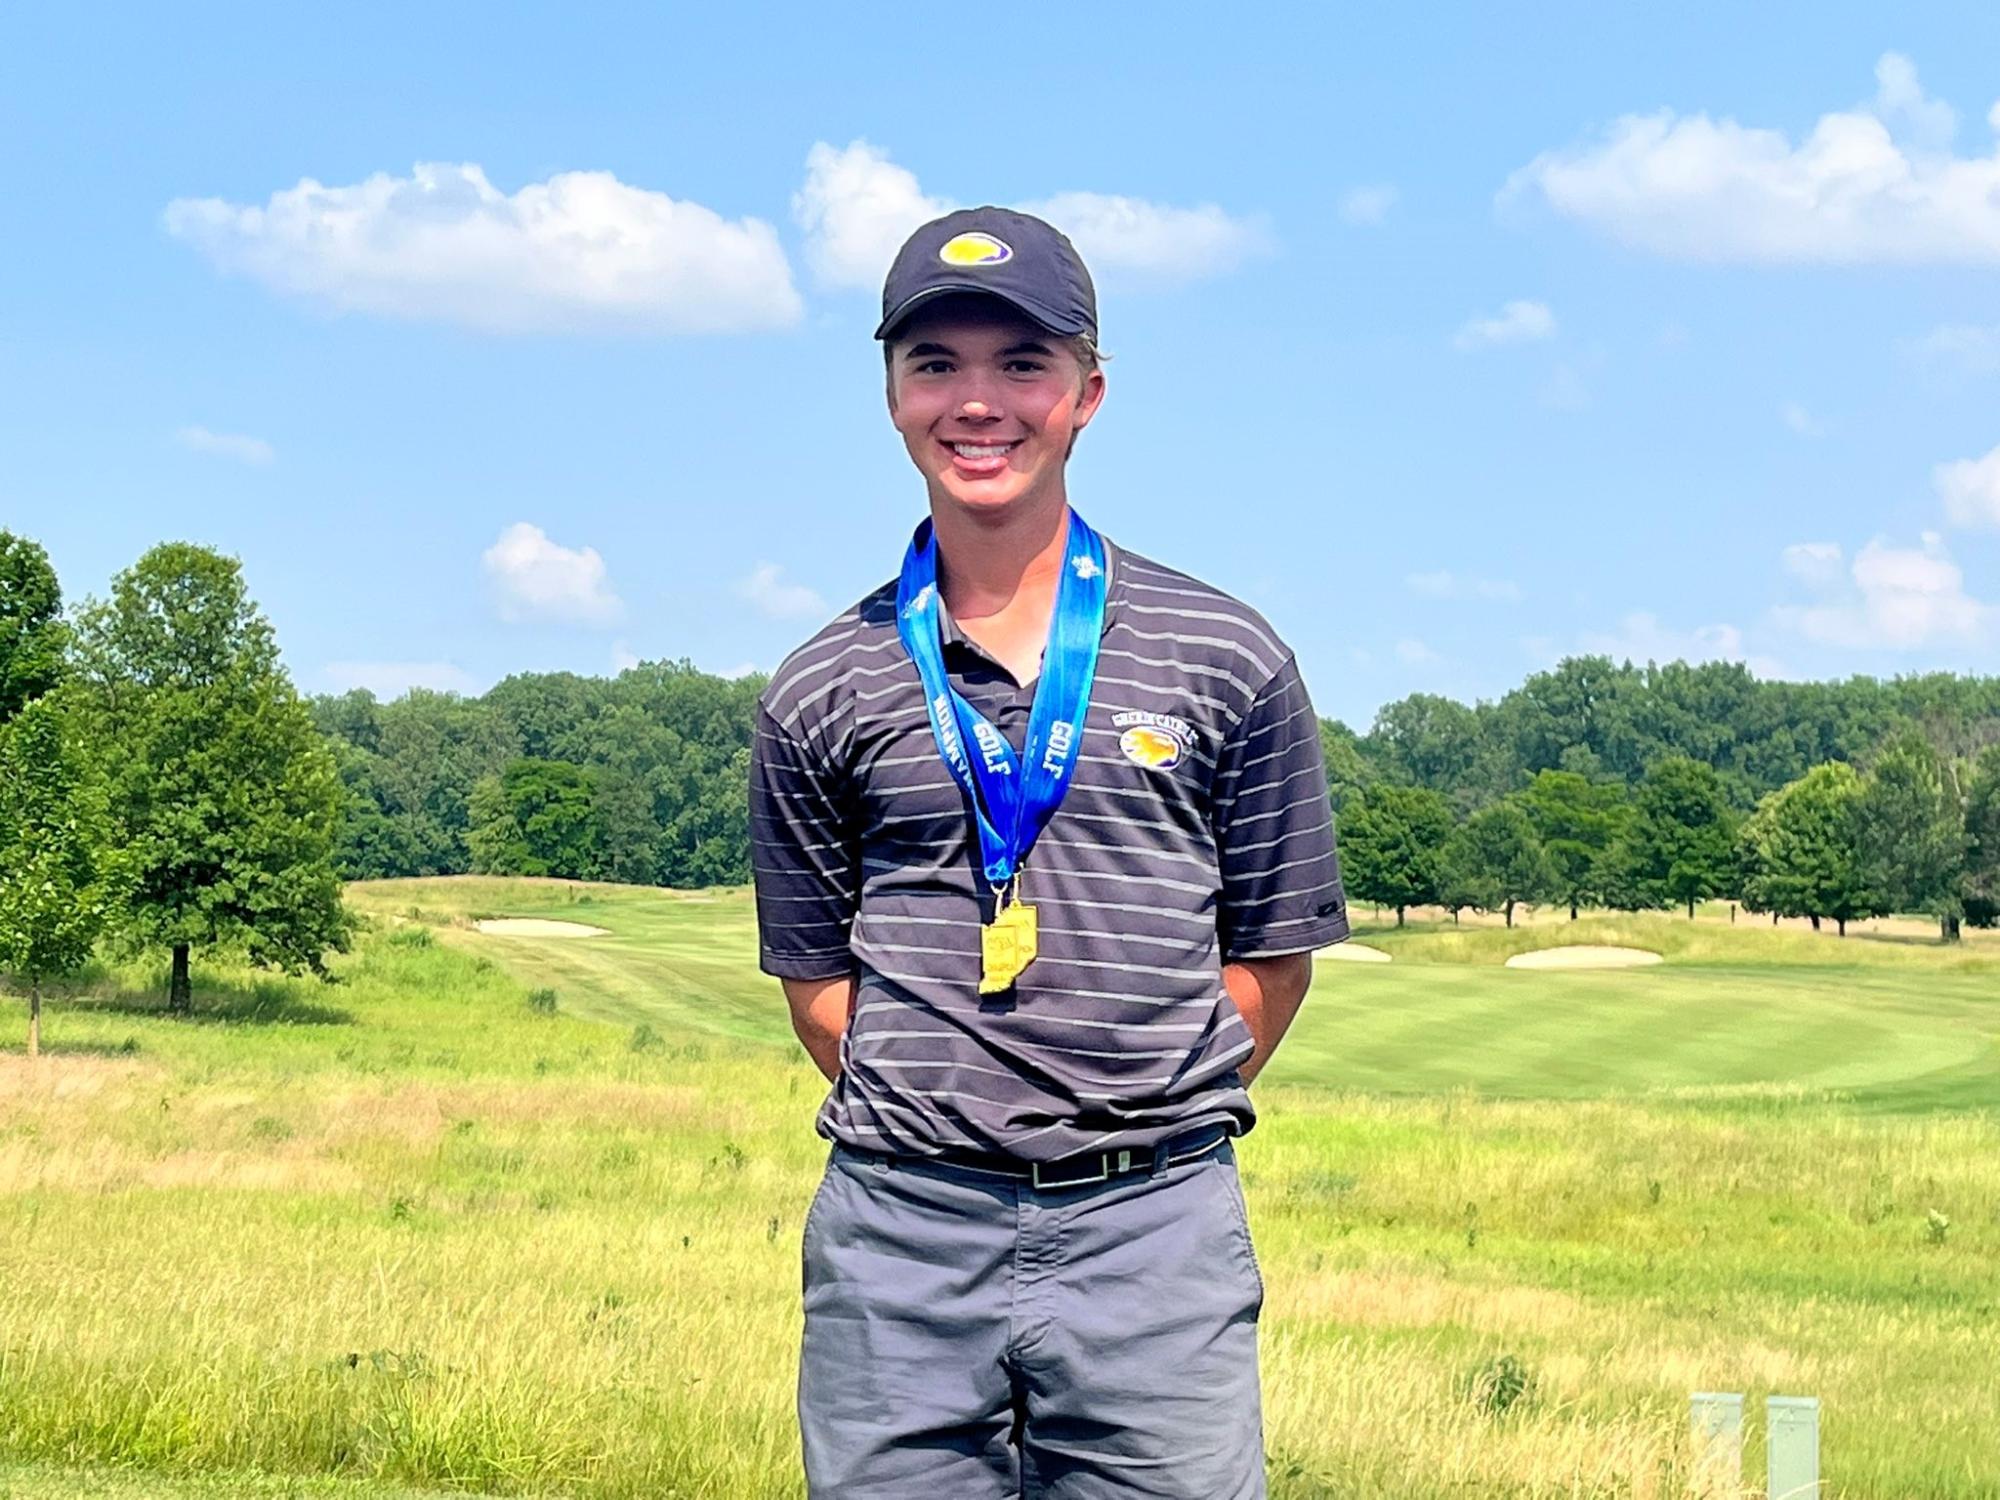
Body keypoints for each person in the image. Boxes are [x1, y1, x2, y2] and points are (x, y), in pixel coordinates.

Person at [750, 205, 1349, 1498]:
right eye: (937, 364)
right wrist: (954, 1114)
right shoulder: (821, 686)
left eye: (1022, 363)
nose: (980, 401)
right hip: (899, 1244)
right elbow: (816, 985)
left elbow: (1274, 959)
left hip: (1153, 1239)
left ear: (1089, 391)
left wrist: (1122, 1110)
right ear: (894, 394)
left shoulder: (1228, 657)